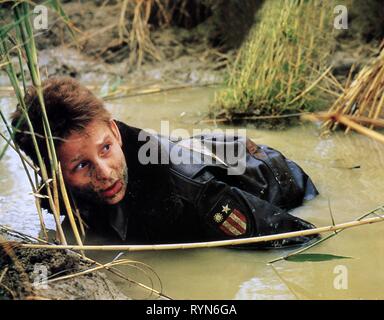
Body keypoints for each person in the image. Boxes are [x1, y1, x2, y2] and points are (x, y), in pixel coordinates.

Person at [12, 77, 319, 248]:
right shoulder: (58, 188)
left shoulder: (194, 191)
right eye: (81, 166)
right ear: (53, 172)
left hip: (278, 178)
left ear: (115, 131)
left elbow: (300, 237)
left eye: (105, 149)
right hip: (207, 152)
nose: (104, 174)